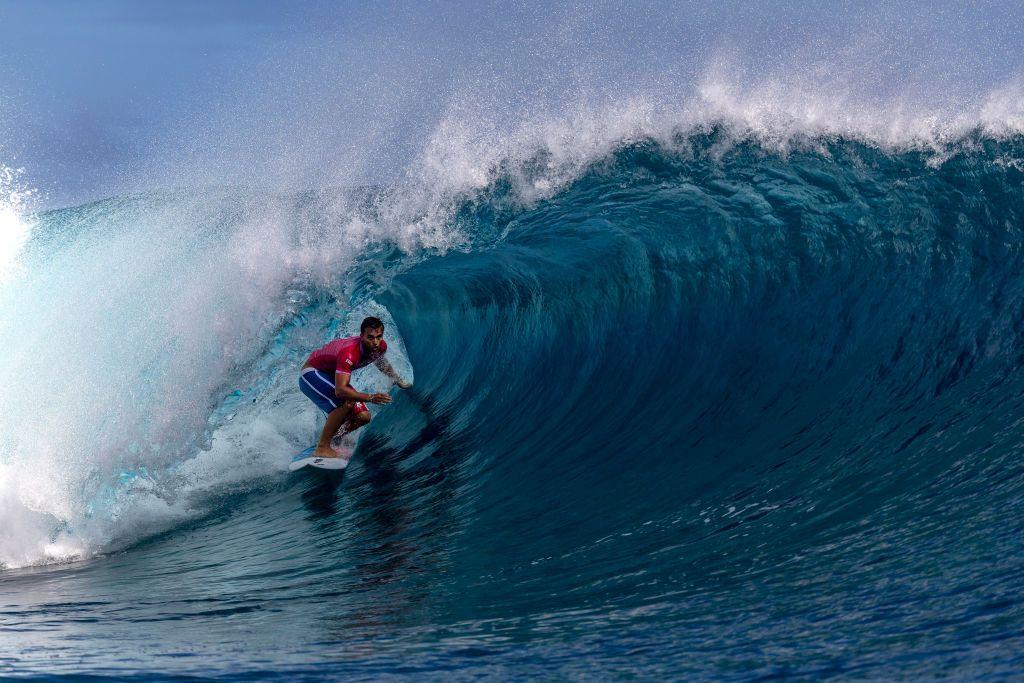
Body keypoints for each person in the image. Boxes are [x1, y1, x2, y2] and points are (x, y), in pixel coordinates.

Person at [299, 316, 411, 459]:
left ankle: (334, 437)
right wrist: (371, 397)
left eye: (379, 337)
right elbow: (340, 391)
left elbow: (380, 362)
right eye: (370, 337)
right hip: (312, 373)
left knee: (363, 417)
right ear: (362, 336)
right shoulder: (350, 353)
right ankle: (322, 447)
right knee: (345, 403)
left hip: (332, 374)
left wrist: (396, 379)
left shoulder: (380, 346)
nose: (375, 342)